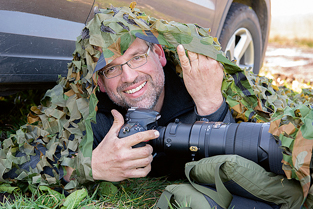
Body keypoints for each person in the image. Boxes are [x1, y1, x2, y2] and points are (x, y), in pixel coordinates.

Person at [64, 37, 235, 182]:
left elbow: (238, 170)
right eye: (111, 68)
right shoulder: (94, 114)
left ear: (159, 54)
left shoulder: (196, 90)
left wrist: (210, 105)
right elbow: (49, 166)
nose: (129, 77)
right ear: (100, 82)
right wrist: (92, 166)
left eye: (137, 57)